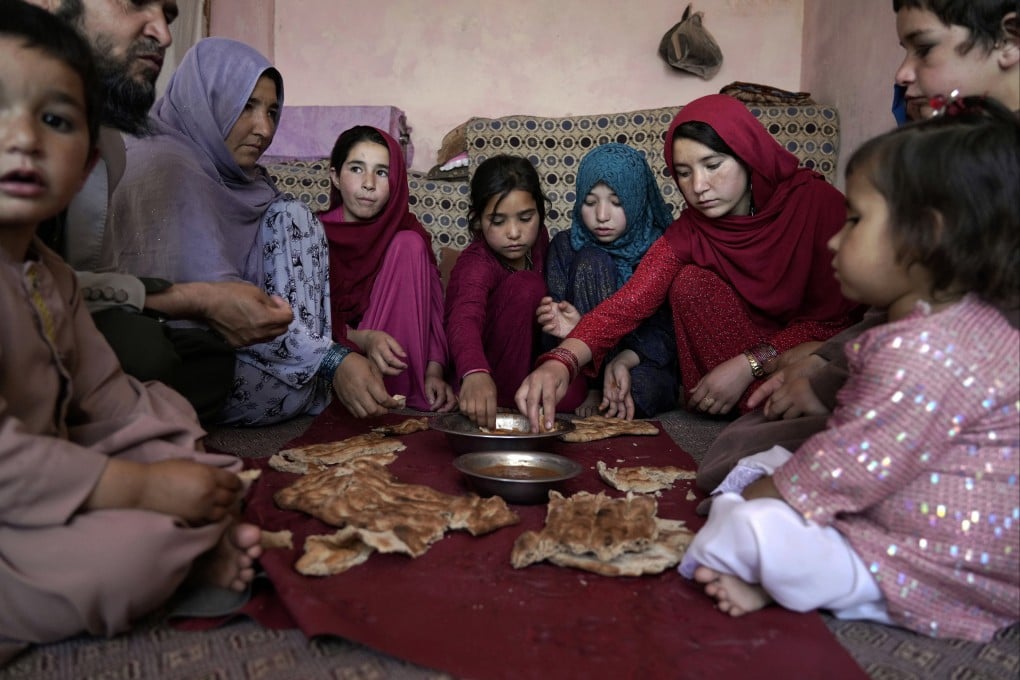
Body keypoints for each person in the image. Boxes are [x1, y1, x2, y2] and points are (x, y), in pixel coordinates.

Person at [679, 97, 1020, 642]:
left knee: (747, 523)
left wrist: (759, 502)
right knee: (767, 461)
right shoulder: (967, 325)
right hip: (926, 515)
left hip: (944, 569)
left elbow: (835, 472)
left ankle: (778, 578)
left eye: (856, 221)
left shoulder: (924, 354)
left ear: (925, 237)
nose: (835, 239)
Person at [0, 1, 260, 663]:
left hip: (48, 475)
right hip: (14, 489)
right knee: (131, 551)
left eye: (54, 120)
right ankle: (169, 560)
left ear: (87, 163)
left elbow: (113, 398)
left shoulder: (47, 272)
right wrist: (141, 488)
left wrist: (188, 466)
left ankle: (182, 536)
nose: (23, 137)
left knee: (167, 408)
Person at [698, 0, 1020, 495]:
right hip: (890, 361)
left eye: (924, 47)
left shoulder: (969, 177)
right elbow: (891, 301)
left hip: (959, 400)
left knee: (747, 469)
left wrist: (822, 373)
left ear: (1010, 40)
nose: (903, 73)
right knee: (735, 451)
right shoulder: (938, 150)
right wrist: (826, 362)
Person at [517, 94, 860, 432]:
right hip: (726, 361)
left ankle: (765, 404)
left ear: (747, 155)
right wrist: (561, 363)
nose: (698, 186)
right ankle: (762, 406)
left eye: (713, 166)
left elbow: (835, 324)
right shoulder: (691, 229)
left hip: (808, 350)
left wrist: (749, 365)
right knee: (691, 284)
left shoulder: (817, 205)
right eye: (683, 172)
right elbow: (625, 306)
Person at [107, 37, 339, 425]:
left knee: (290, 214)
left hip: (249, 362)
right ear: (204, 100)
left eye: (272, 111)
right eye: (246, 106)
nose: (264, 129)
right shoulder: (167, 164)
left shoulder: (249, 184)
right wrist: (331, 360)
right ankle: (315, 374)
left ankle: (314, 372)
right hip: (170, 363)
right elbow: (219, 307)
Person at [319, 126, 456, 414]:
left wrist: (434, 372)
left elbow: (431, 310)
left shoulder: (405, 229)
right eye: (357, 169)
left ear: (395, 181)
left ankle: (400, 392)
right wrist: (362, 338)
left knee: (409, 244)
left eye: (382, 172)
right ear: (334, 176)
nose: (369, 183)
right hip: (334, 361)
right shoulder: (311, 232)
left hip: (398, 369)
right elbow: (304, 322)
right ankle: (359, 391)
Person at [445, 155, 585, 429]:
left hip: (531, 361)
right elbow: (463, 320)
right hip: (487, 371)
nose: (514, 233)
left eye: (525, 218)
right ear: (478, 220)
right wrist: (474, 373)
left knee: (575, 395)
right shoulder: (477, 263)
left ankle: (531, 389)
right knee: (526, 286)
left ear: (540, 212)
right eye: (498, 221)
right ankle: (503, 400)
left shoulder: (541, 241)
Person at [540, 143, 678, 419]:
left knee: (641, 390)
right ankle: (594, 386)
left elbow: (667, 332)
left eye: (617, 202)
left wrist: (625, 360)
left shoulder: (660, 249)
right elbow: (554, 317)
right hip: (578, 360)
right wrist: (571, 325)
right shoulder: (566, 245)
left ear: (637, 200)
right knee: (593, 260)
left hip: (639, 360)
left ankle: (609, 385)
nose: (602, 216)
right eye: (590, 203)